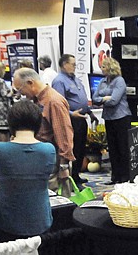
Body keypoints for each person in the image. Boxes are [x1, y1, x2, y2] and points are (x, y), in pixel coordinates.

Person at [0, 100, 56, 241]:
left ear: (11, 123)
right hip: (40, 220)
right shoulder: (48, 150)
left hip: (8, 222)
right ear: (38, 123)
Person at [12, 67, 74, 194]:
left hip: (54, 160)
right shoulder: (38, 100)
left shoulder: (53, 101)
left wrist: (64, 166)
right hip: (43, 157)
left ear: (30, 83)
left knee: (55, 199)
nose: (21, 94)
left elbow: (64, 135)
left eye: (20, 89)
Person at [52, 53, 97, 187]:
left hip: (82, 118)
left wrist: (89, 112)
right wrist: (71, 114)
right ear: (64, 65)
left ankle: (76, 176)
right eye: (73, 64)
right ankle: (70, 179)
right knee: (73, 150)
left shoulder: (75, 79)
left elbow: (81, 98)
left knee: (81, 149)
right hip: (71, 120)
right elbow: (58, 104)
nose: (75, 66)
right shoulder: (59, 81)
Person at [92, 57, 131, 185]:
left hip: (121, 118)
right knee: (112, 149)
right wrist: (105, 98)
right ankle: (115, 177)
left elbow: (114, 101)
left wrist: (102, 99)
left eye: (103, 66)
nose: (101, 68)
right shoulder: (103, 81)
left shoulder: (120, 81)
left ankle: (124, 177)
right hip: (109, 118)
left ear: (110, 67)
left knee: (122, 148)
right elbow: (94, 98)